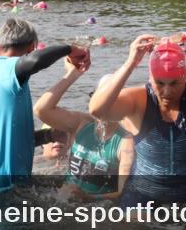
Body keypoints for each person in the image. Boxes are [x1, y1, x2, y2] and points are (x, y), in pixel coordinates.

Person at [88, 33, 186, 206]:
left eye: (174, 83)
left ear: (185, 76)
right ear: (150, 78)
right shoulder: (137, 99)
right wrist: (130, 63)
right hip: (141, 196)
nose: (167, 92)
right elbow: (98, 110)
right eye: (160, 83)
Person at [0, 18, 90, 195]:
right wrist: (70, 49)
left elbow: (8, 139)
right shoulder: (7, 71)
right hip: (1, 188)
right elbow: (35, 61)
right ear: (32, 47)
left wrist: (48, 135)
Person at [35, 64, 134, 201]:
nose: (103, 105)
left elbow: (124, 192)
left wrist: (88, 198)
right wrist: (73, 73)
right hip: (62, 200)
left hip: (95, 209)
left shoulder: (125, 142)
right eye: (100, 98)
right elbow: (41, 109)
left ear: (121, 105)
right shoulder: (81, 123)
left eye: (110, 100)